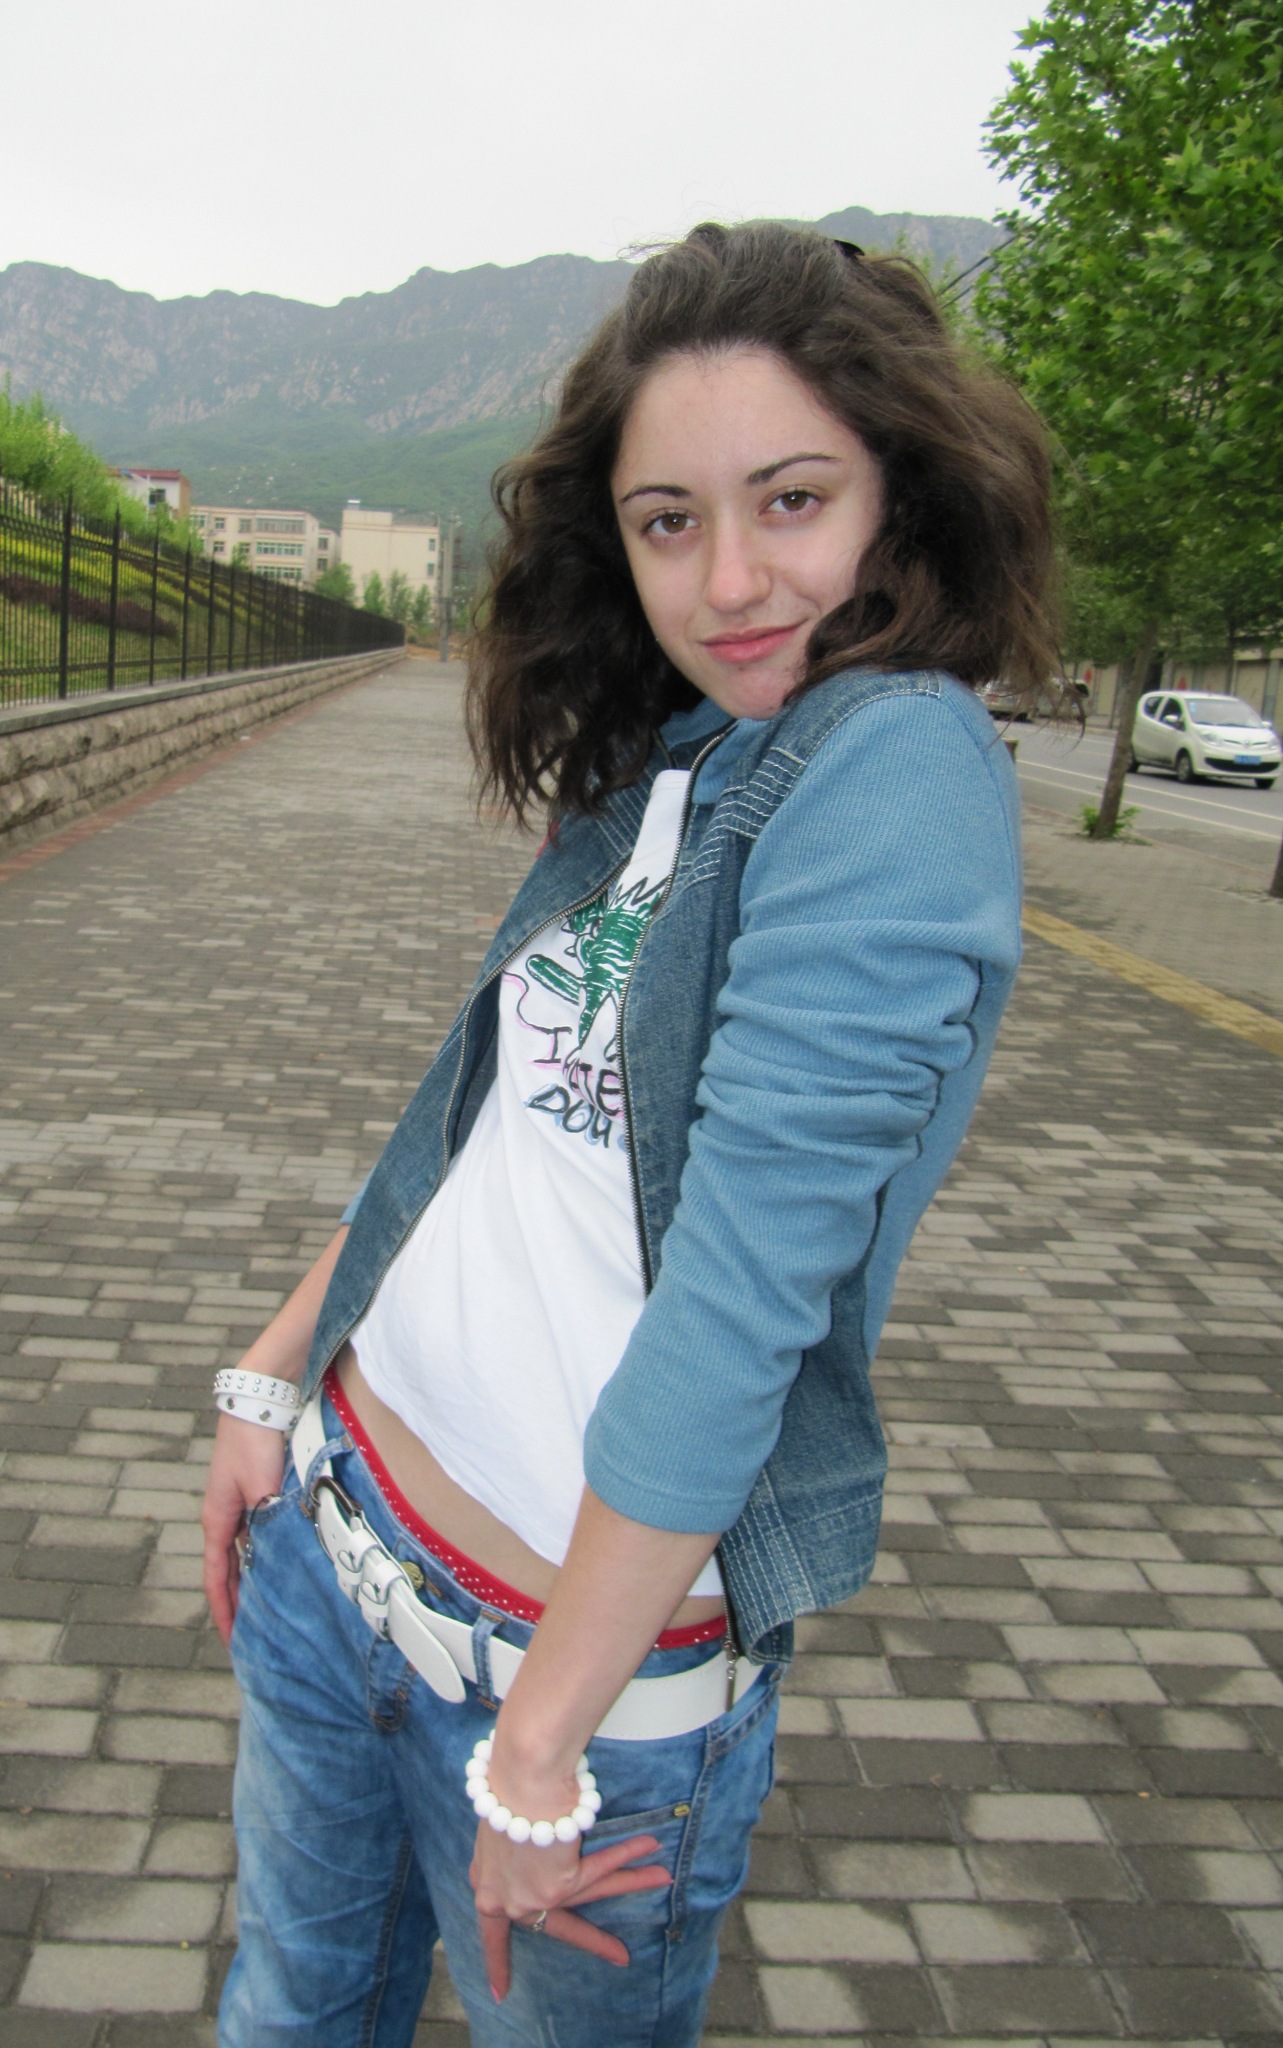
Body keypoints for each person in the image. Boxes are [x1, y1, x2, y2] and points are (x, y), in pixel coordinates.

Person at [202, 220, 1056, 2047]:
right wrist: (277, 1373)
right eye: (670, 521)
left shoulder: (896, 767)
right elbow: (483, 1119)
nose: (731, 579)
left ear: (899, 497)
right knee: (282, 2014)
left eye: (793, 501)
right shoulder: (675, 761)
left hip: (571, 1708)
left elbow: (739, 1309)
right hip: (334, 1547)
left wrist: (533, 1757)